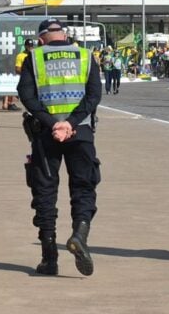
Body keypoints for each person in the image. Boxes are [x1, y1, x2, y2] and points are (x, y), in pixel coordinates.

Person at [17, 17, 102, 276]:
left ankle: (49, 257)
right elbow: (94, 95)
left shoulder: (35, 57)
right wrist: (71, 123)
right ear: (64, 35)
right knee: (83, 186)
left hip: (46, 133)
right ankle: (80, 234)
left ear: (42, 38)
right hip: (81, 132)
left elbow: (27, 95)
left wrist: (53, 123)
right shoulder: (86, 56)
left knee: (44, 191)